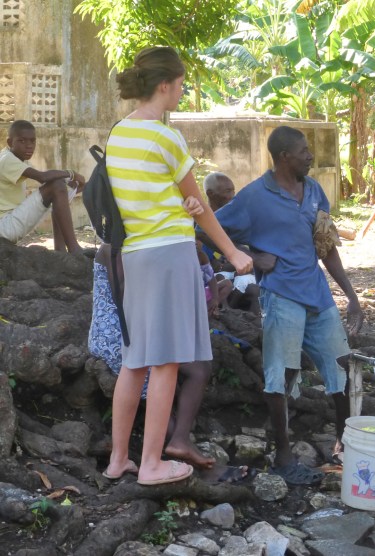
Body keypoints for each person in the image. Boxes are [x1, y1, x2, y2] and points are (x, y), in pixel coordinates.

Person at [102, 46, 252, 486]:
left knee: (136, 361)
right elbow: (203, 207)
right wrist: (235, 254)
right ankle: (151, 464)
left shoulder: (118, 134)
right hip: (169, 253)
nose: (183, 90)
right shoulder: (165, 137)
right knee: (166, 362)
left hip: (134, 255)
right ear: (164, 85)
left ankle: (117, 460)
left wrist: (180, 202)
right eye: (182, 83)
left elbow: (146, 195)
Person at [207, 125, 363, 485]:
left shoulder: (313, 191)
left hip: (318, 296)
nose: (310, 155)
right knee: (280, 373)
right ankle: (283, 455)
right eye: (303, 151)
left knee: (341, 367)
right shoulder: (253, 197)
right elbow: (207, 229)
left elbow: (326, 246)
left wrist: (351, 296)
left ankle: (346, 445)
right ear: (283, 157)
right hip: (281, 296)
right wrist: (250, 256)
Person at [90, 238, 217, 471]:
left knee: (199, 369)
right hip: (119, 333)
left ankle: (179, 440)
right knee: (162, 376)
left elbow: (205, 281)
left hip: (141, 326)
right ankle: (172, 452)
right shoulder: (114, 247)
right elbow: (127, 297)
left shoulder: (148, 242)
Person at [0, 120, 88, 254]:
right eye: (22, 141)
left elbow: (49, 183)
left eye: (32, 141)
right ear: (10, 142)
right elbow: (43, 177)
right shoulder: (8, 160)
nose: (29, 146)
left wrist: (70, 188)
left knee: (58, 188)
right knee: (57, 186)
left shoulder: (11, 157)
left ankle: (61, 250)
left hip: (9, 223)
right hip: (6, 226)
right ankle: (74, 248)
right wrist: (72, 174)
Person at [203, 172, 260, 313]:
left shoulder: (234, 221)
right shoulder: (201, 224)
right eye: (228, 191)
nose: (233, 196)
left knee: (255, 289)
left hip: (235, 274)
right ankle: (228, 313)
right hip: (214, 280)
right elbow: (207, 266)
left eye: (234, 191)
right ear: (210, 194)